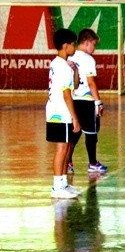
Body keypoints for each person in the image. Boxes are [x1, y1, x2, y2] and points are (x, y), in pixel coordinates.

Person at [47, 28, 81, 198]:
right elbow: (67, 94)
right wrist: (75, 118)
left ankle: (63, 184)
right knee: (62, 148)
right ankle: (56, 187)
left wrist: (75, 71)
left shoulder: (58, 63)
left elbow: (74, 86)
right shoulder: (62, 67)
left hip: (55, 109)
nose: (74, 48)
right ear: (66, 45)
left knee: (66, 146)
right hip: (61, 111)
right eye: (73, 44)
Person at [67, 28, 107, 174]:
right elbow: (91, 83)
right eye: (93, 45)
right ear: (87, 42)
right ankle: (92, 163)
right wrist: (98, 102)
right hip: (86, 101)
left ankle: (68, 161)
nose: (94, 49)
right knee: (91, 133)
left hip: (73, 100)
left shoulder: (69, 56)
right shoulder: (88, 59)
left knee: (75, 133)